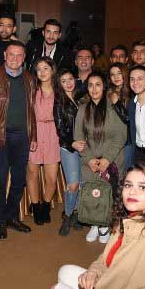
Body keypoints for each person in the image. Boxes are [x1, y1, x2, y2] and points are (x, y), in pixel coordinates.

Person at [47, 164, 145, 289]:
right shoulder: (128, 219)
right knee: (64, 271)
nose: (132, 192)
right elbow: (106, 259)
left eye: (142, 187)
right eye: (128, 185)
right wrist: (93, 272)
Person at [0, 41, 37, 239]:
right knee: (0, 180)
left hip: (22, 137)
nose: (15, 58)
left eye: (19, 55)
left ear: (24, 58)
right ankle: (0, 220)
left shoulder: (29, 78)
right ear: (4, 55)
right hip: (0, 138)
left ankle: (11, 217)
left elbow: (32, 111)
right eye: (11, 54)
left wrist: (33, 135)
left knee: (18, 180)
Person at [74, 72, 127, 244]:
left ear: (104, 87)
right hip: (89, 161)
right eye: (90, 85)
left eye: (98, 84)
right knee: (92, 193)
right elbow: (79, 137)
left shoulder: (113, 107)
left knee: (107, 194)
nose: (94, 89)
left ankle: (105, 224)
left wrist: (106, 159)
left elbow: (121, 136)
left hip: (111, 160)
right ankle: (94, 223)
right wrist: (89, 158)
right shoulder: (83, 109)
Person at [27, 57, 61, 225]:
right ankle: (35, 206)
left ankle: (46, 205)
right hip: (35, 133)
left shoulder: (60, 90)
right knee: (32, 173)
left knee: (51, 177)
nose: (42, 72)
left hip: (53, 134)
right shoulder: (31, 90)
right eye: (39, 69)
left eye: (45, 68)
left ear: (52, 70)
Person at [54, 68, 84, 236]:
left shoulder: (82, 98)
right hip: (69, 148)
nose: (68, 83)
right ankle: (67, 215)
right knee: (73, 184)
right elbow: (60, 129)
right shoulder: (59, 102)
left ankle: (76, 214)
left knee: (81, 184)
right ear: (59, 84)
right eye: (63, 81)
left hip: (85, 147)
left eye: (70, 79)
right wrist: (72, 143)